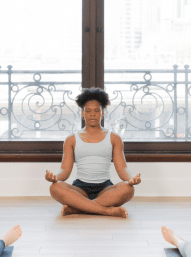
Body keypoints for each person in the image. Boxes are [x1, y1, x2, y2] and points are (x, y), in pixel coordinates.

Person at [44, 87, 141, 218]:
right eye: (88, 111)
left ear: (102, 113)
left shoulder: (114, 138)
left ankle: (78, 208)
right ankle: (105, 211)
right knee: (55, 188)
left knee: (128, 189)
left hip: (105, 189)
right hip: (79, 189)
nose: (92, 114)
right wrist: (54, 177)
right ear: (82, 113)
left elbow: (122, 168)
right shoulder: (71, 139)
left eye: (97, 110)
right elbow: (65, 170)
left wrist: (131, 179)